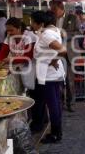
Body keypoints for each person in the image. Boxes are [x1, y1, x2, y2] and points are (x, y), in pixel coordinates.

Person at [32, 10, 66, 143]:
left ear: (40, 23)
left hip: (50, 75)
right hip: (52, 74)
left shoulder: (47, 35)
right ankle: (57, 132)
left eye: (33, 21)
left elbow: (62, 50)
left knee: (53, 105)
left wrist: (54, 60)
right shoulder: (52, 31)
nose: (31, 24)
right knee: (55, 104)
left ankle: (56, 134)